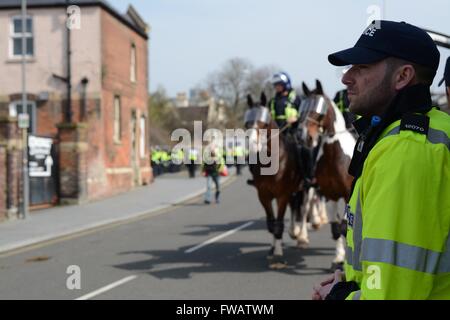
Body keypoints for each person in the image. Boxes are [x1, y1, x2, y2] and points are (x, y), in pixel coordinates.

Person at [313, 20, 450, 300]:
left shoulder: (403, 151)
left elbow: (393, 293)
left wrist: (336, 297)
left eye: (362, 67)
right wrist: (351, 282)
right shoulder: (433, 126)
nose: (346, 77)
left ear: (402, 77)